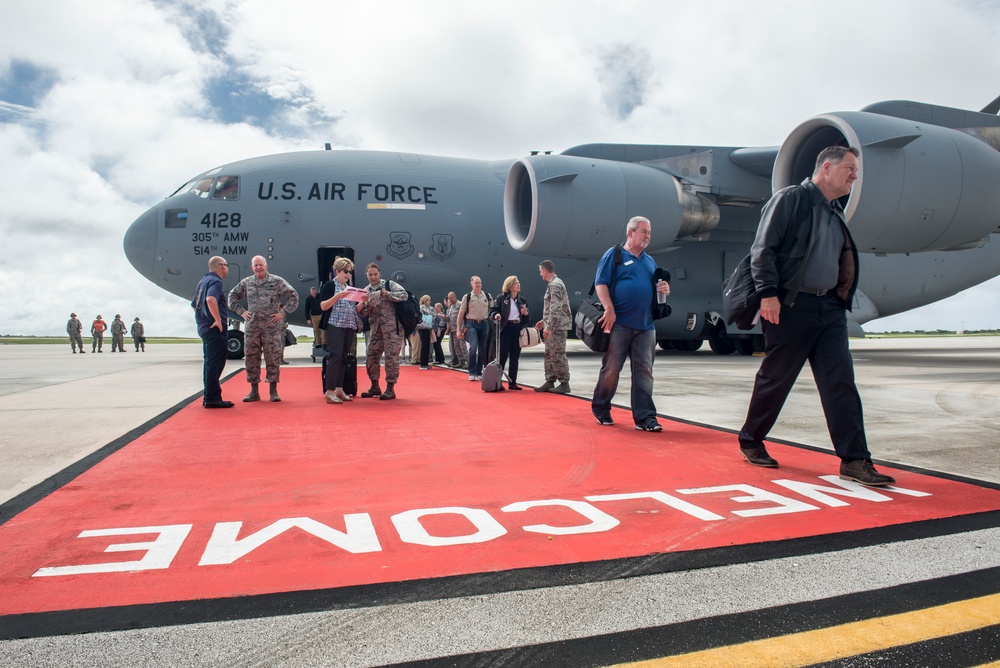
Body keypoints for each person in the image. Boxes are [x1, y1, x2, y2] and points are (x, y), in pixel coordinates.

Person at [736, 146, 895, 486]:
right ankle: (751, 439)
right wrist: (768, 294)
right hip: (791, 306)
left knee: (841, 384)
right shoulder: (791, 199)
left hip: (830, 309)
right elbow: (762, 250)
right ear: (826, 168)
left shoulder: (835, 210)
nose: (855, 175)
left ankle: (854, 460)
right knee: (776, 379)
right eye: (850, 168)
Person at [591, 216, 670, 431]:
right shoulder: (614, 255)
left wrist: (665, 290)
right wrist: (609, 308)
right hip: (620, 324)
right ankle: (601, 408)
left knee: (644, 373)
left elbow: (654, 290)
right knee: (611, 369)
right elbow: (600, 283)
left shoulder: (650, 261)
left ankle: (645, 418)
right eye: (644, 231)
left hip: (646, 326)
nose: (647, 236)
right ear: (630, 232)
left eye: (649, 233)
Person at [228, 255, 299, 403]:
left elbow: (293, 296)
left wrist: (283, 313)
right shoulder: (247, 283)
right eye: (256, 265)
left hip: (271, 328)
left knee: (273, 358)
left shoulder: (277, 281)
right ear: (252, 268)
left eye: (261, 264)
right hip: (252, 328)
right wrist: (241, 312)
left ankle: (273, 390)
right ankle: (254, 391)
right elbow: (232, 297)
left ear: (266, 266)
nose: (258, 267)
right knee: (251, 358)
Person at [358, 262, 408, 400]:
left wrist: (387, 294)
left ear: (380, 273)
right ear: (366, 275)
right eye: (370, 274)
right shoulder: (365, 290)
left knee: (391, 358)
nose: (373, 277)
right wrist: (368, 304)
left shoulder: (389, 284)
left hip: (392, 329)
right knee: (371, 356)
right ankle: (374, 386)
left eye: (375, 274)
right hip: (376, 329)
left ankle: (390, 388)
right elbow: (363, 312)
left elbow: (404, 295)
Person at [320, 257, 365, 404]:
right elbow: (323, 306)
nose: (348, 274)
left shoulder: (349, 288)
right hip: (335, 325)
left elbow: (354, 310)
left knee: (344, 358)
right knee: (336, 356)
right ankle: (329, 391)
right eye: (345, 271)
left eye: (350, 272)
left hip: (349, 326)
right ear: (337, 271)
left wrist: (362, 301)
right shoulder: (330, 286)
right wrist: (337, 296)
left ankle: (339, 388)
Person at [192, 256, 234, 408]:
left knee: (209, 363)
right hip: (214, 329)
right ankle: (212, 398)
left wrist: (203, 319)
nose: (227, 268)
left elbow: (194, 304)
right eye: (227, 265)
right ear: (222, 266)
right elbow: (210, 299)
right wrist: (217, 320)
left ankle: (209, 396)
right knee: (215, 364)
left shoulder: (203, 281)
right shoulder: (216, 281)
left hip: (204, 327)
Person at [535, 260, 572, 394]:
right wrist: (544, 322)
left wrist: (548, 327)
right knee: (549, 354)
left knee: (557, 354)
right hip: (554, 325)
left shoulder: (556, 285)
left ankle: (564, 383)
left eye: (541, 271)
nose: (540, 274)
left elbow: (555, 308)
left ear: (545, 270)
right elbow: (552, 309)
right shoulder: (553, 284)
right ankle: (550, 380)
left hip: (558, 327)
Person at [489, 275, 530, 390]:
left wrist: (526, 314)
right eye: (516, 283)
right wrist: (496, 315)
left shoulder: (522, 300)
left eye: (518, 282)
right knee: (502, 357)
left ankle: (512, 382)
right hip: (505, 328)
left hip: (517, 329)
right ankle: (498, 382)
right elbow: (492, 311)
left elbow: (527, 320)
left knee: (515, 357)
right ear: (510, 286)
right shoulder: (501, 298)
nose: (519, 284)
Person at [456, 276, 492, 381]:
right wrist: (458, 329)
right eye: (476, 283)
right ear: (471, 284)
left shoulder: (487, 296)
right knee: (473, 347)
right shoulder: (467, 297)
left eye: (480, 282)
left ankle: (478, 372)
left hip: (484, 324)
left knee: (482, 349)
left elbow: (492, 310)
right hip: (472, 324)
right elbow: (461, 313)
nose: (478, 284)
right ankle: (471, 371)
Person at [445, 292, 467, 368]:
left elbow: (465, 317)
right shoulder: (451, 307)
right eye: (449, 298)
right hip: (453, 330)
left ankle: (468, 361)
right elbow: (449, 318)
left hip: (460, 329)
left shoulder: (460, 304)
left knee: (462, 346)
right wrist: (444, 317)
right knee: (456, 346)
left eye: (451, 298)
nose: (450, 300)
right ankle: (461, 361)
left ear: (455, 297)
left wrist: (464, 327)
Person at [416, 295, 435, 370]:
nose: (430, 301)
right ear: (425, 300)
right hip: (422, 328)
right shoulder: (422, 307)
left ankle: (425, 363)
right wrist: (434, 312)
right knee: (424, 345)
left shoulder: (429, 307)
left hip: (427, 327)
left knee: (427, 345)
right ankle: (422, 363)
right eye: (428, 300)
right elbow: (430, 312)